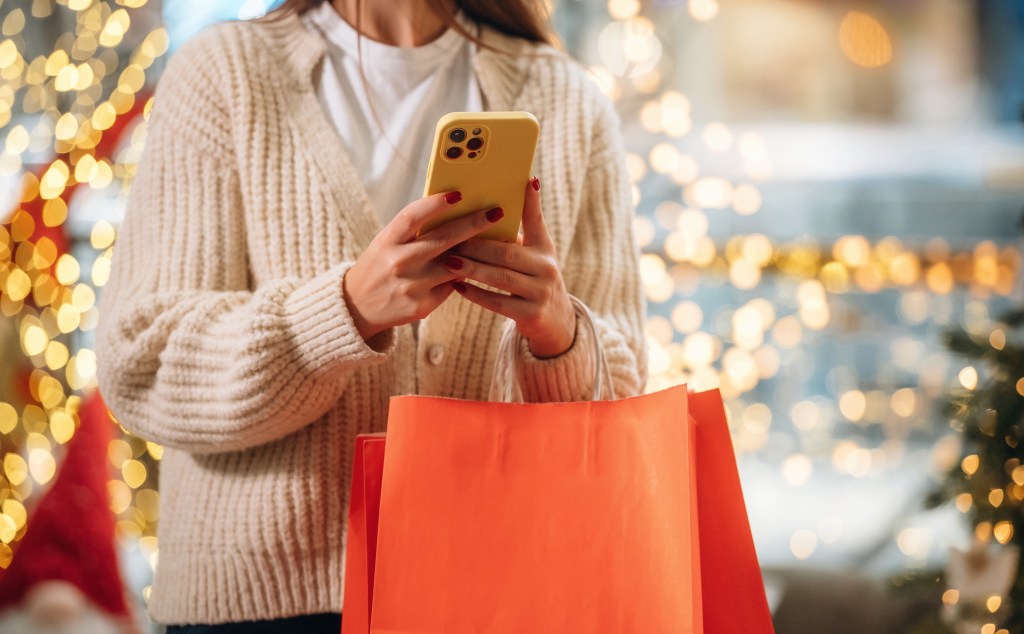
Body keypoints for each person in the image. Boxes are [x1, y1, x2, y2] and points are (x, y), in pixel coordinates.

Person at [94, 0, 646, 631]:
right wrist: (342, 313)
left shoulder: (568, 98)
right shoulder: (224, 72)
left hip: (500, 593)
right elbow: (142, 361)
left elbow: (624, 391)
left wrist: (561, 337)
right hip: (264, 602)